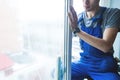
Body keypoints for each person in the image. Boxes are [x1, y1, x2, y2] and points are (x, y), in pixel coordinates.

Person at [68, 0, 120, 80]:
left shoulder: (112, 13)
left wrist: (77, 31)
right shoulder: (78, 17)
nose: (85, 2)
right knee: (58, 72)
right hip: (83, 62)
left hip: (103, 67)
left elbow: (106, 46)